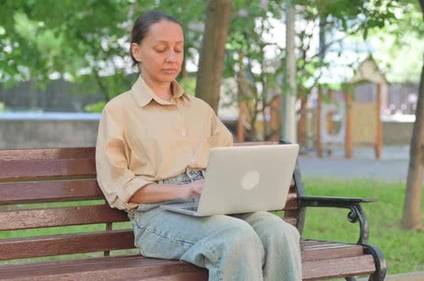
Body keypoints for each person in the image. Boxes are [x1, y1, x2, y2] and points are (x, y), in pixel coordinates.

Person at [95, 10, 302, 281]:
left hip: (214, 204)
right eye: (160, 49)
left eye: (178, 50)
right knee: (235, 237)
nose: (172, 58)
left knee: (281, 233)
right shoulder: (119, 111)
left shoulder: (200, 110)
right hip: (157, 217)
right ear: (137, 51)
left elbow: (228, 161)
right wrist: (184, 189)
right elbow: (119, 187)